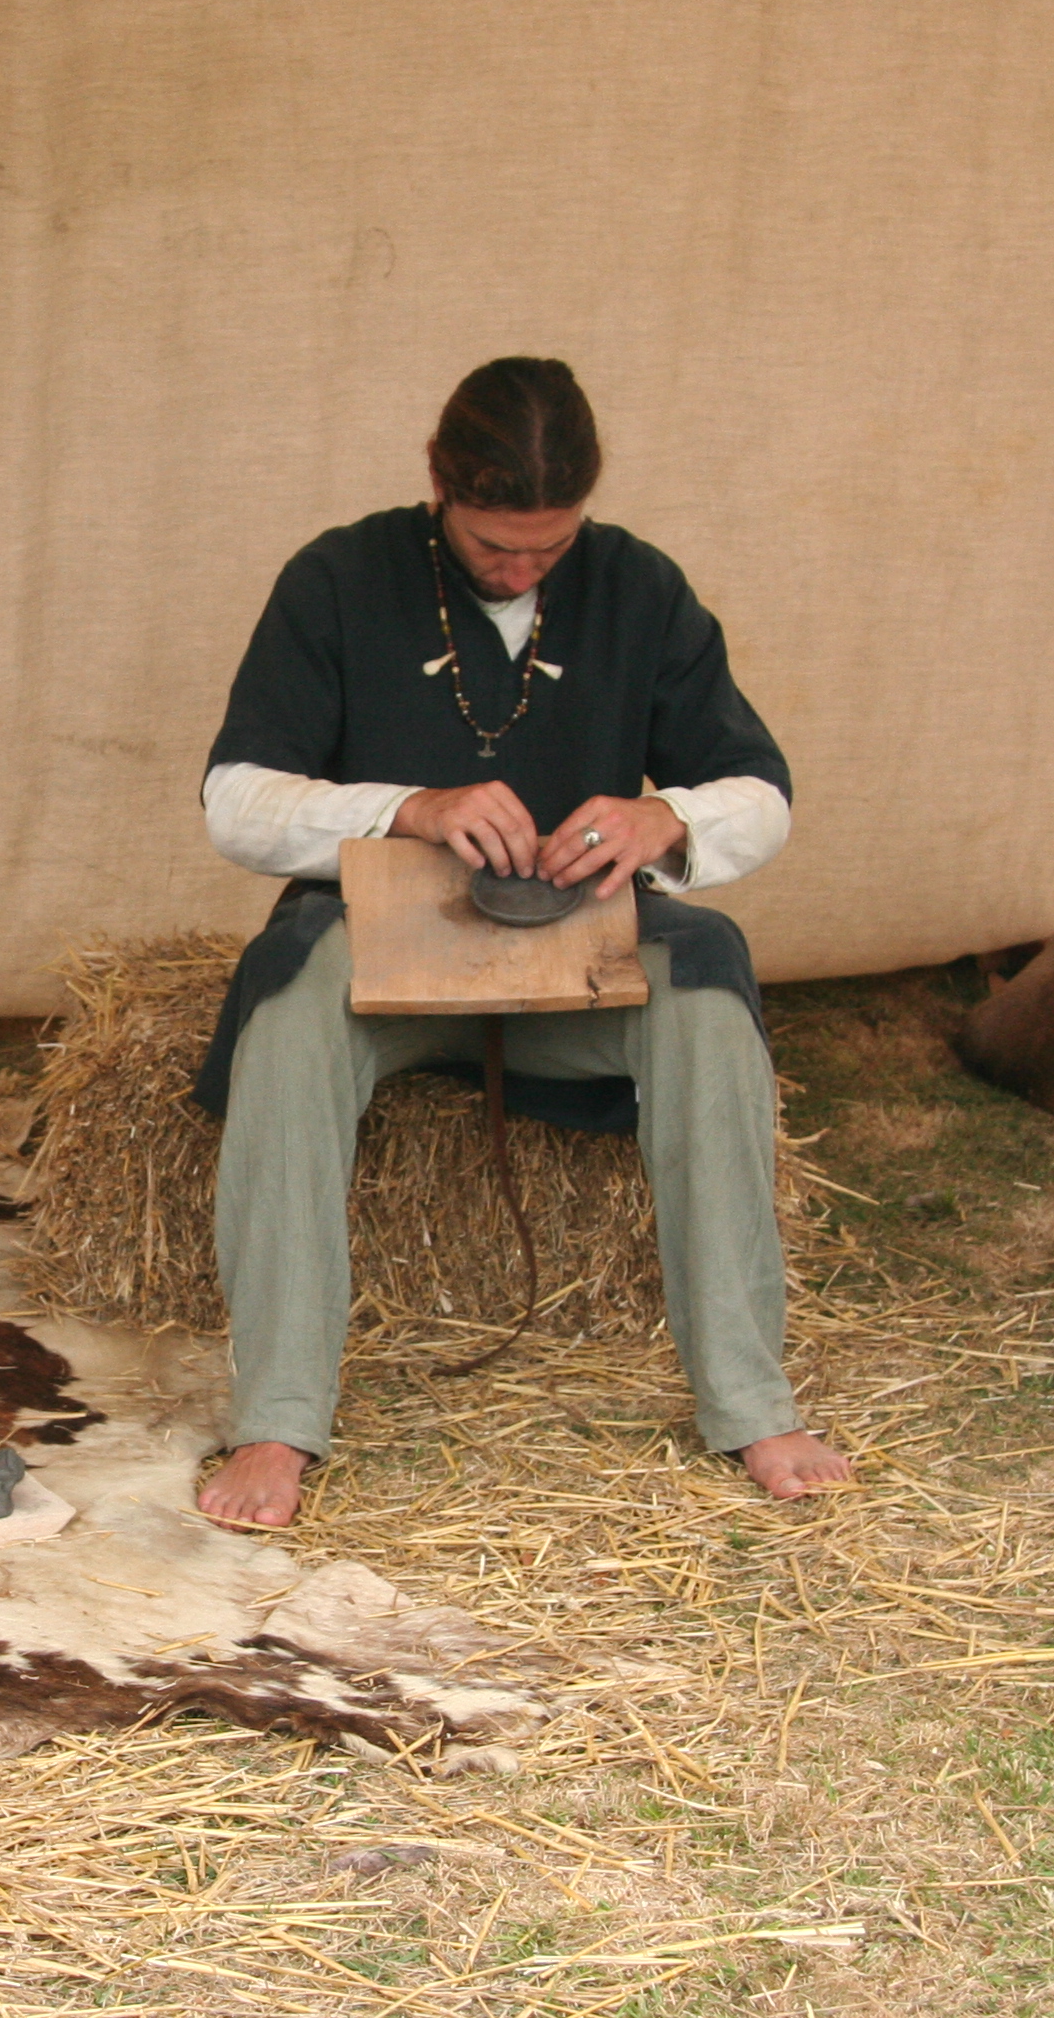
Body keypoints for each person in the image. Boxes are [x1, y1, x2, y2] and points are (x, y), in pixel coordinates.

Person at [190, 357, 852, 1530]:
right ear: (438, 485)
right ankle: (278, 1422)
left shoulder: (639, 587)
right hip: (382, 945)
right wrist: (409, 808)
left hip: (576, 954)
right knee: (289, 1022)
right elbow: (235, 799)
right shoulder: (339, 578)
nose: (523, 569)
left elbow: (762, 787)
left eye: (550, 548)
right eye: (498, 545)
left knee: (706, 999)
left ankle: (751, 1401)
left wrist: (668, 819)